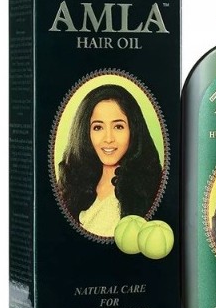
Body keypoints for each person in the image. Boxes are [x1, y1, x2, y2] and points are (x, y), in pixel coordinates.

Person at [57, 83, 163, 237]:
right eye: (98, 127)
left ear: (133, 130)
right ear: (85, 132)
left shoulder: (150, 188)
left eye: (118, 127)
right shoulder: (73, 186)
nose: (108, 139)